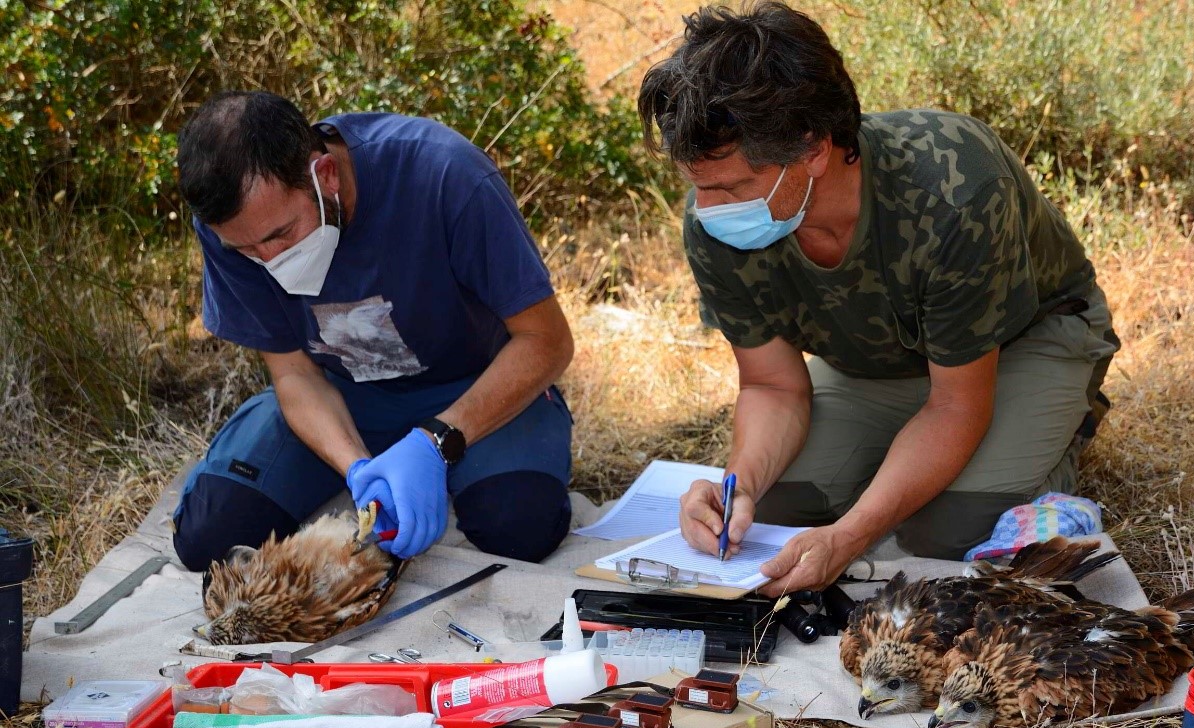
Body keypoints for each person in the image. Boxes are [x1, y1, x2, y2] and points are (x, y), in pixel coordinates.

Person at [637, 2, 1120, 596]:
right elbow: (771, 386)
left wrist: (849, 537)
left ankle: (1067, 426)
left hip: (1025, 341)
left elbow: (953, 407)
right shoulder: (712, 219)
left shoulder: (956, 186)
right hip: (880, 361)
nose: (708, 212)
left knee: (945, 529)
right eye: (698, 188)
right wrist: (736, 489)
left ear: (813, 148)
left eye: (732, 187)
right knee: (780, 509)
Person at [171, 92, 575, 575]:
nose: (268, 259)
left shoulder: (444, 174)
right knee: (209, 536)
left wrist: (435, 442)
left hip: (475, 383)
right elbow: (294, 372)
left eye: (281, 234)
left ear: (326, 177)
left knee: (520, 525)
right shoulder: (230, 227)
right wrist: (358, 471)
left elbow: (547, 341)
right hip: (339, 394)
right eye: (247, 249)